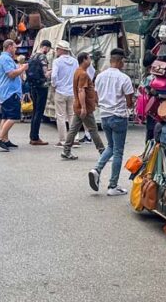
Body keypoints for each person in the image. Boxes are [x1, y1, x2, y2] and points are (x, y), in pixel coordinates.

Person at [89, 49, 135, 196]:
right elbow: (129, 102)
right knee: (118, 151)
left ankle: (96, 169)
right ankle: (113, 186)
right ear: (121, 61)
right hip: (119, 116)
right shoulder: (124, 78)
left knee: (110, 146)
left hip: (104, 116)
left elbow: (95, 97)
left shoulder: (100, 77)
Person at [61, 52, 105, 160]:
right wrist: (84, 107)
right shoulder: (83, 74)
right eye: (89, 58)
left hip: (79, 106)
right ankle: (103, 152)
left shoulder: (78, 72)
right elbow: (81, 90)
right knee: (93, 129)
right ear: (84, 60)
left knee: (74, 129)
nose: (90, 61)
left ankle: (66, 150)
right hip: (84, 107)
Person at [0, 39, 26, 151]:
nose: (16, 49)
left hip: (6, 92)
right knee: (13, 116)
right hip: (10, 92)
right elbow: (11, 74)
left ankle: (5, 140)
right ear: (10, 47)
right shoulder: (6, 58)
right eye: (15, 47)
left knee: (5, 116)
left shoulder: (5, 58)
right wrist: (22, 69)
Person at [50, 40, 78, 146]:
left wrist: (54, 84)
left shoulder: (57, 61)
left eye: (57, 49)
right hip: (72, 91)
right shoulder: (75, 61)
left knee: (61, 116)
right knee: (72, 115)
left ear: (61, 50)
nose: (56, 51)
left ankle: (63, 140)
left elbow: (53, 75)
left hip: (60, 91)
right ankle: (74, 139)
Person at [26, 39, 52, 146]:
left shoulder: (32, 56)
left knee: (35, 111)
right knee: (39, 112)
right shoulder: (42, 57)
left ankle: (32, 135)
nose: (48, 51)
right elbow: (45, 74)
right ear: (45, 47)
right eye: (49, 49)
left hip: (33, 86)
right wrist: (52, 70)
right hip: (41, 86)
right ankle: (35, 137)